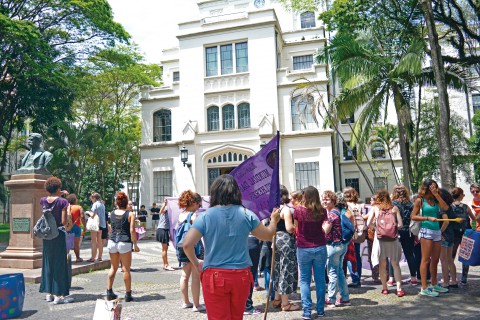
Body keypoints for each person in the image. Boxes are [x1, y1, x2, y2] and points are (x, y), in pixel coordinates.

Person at [182, 174, 280, 320]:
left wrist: (196, 263)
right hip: (241, 275)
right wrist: (274, 221)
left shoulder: (206, 216)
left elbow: (187, 244)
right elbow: (267, 235)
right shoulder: (246, 213)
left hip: (215, 275)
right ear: (236, 193)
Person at [411, 179, 449, 297]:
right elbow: (413, 216)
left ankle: (434, 284)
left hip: (437, 231)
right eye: (433, 187)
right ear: (427, 188)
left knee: (436, 260)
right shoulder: (420, 200)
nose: (435, 189)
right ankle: (424, 287)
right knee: (426, 259)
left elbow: (445, 208)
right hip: (426, 231)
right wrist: (427, 218)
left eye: (436, 187)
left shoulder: (435, 199)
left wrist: (437, 195)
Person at [294, 186, 328, 319]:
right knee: (320, 279)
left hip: (303, 246)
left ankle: (307, 310)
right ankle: (320, 310)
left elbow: (296, 228)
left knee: (304, 280)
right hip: (319, 245)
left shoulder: (298, 211)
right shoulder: (321, 211)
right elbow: (324, 225)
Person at [39, 176, 73, 304]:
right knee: (59, 263)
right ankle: (58, 295)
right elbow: (64, 221)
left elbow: (51, 201)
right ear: (58, 188)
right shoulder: (63, 202)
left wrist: (59, 193)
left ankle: (49, 293)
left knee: (48, 262)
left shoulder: (43, 200)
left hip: (47, 234)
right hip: (58, 234)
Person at [367, 189, 405, 297]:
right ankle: (399, 289)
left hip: (380, 240)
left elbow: (368, 223)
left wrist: (376, 228)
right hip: (393, 240)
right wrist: (392, 228)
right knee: (395, 264)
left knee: (382, 265)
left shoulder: (375, 208)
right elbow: (401, 225)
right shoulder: (394, 208)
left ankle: (384, 288)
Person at [106, 192, 139, 302]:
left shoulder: (112, 213)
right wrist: (135, 244)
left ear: (117, 203)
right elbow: (132, 230)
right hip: (124, 242)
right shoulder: (130, 214)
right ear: (126, 203)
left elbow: (111, 227)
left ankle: (109, 291)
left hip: (112, 241)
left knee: (113, 268)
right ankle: (128, 294)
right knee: (126, 269)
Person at [322, 191, 352, 308]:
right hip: (341, 245)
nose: (324, 201)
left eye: (327, 199)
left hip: (333, 246)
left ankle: (331, 299)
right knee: (339, 272)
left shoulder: (331, 214)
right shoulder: (338, 211)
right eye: (323, 199)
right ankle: (345, 298)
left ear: (333, 201)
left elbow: (325, 230)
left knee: (332, 273)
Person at [177, 191, 205, 312]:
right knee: (195, 276)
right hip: (194, 247)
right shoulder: (193, 216)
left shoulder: (181, 215)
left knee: (184, 275)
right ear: (194, 203)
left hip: (181, 247)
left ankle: (185, 302)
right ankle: (197, 305)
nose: (199, 208)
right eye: (199, 205)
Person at [272, 185, 299, 312]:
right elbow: (289, 228)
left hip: (275, 238)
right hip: (285, 240)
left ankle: (277, 299)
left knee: (277, 268)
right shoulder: (286, 209)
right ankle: (285, 303)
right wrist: (296, 225)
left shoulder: (273, 209)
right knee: (286, 270)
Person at [390, 185, 418, 285]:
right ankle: (413, 277)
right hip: (408, 231)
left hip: (396, 231)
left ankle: (391, 278)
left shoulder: (392, 204)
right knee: (410, 254)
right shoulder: (411, 204)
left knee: (393, 256)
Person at [451, 187, 477, 286]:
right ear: (460, 195)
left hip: (454, 233)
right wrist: (473, 229)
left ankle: (450, 275)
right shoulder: (466, 207)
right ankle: (464, 277)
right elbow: (473, 219)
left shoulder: (450, 207)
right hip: (466, 233)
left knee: (451, 255)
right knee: (465, 255)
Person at [344, 186, 366, 287]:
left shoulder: (347, 206)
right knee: (357, 255)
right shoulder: (359, 205)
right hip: (359, 232)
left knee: (350, 256)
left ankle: (355, 278)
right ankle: (358, 277)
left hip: (351, 233)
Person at [438, 188, 456, 290]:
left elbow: (446, 221)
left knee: (443, 260)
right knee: (450, 260)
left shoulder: (442, 207)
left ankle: (445, 282)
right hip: (451, 235)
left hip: (444, 236)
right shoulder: (450, 207)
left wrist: (439, 232)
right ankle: (453, 280)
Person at [86, 192, 106, 262]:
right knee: (100, 241)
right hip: (102, 224)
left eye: (91, 198)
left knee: (94, 241)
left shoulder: (95, 204)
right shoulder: (102, 204)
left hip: (95, 225)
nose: (91, 200)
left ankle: (93, 257)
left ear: (94, 198)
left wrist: (87, 212)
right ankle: (99, 257)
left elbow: (92, 215)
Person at [66, 194, 86, 263]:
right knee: (76, 244)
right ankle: (77, 258)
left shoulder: (66, 207)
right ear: (74, 200)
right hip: (76, 227)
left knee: (68, 243)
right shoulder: (79, 207)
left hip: (67, 226)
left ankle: (66, 258)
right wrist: (85, 226)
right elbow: (83, 217)